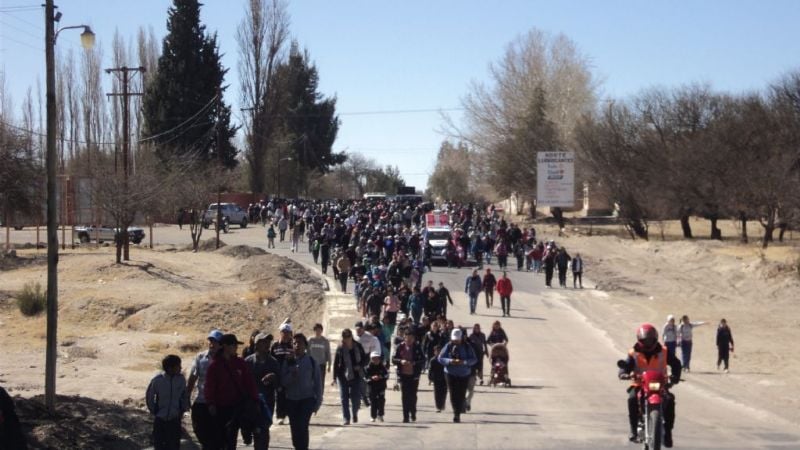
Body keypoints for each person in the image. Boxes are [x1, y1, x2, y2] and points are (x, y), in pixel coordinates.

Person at [617, 324, 681, 447]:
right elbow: (626, 365)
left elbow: (676, 364)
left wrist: (675, 377)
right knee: (632, 398)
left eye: (650, 339)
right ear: (639, 340)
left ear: (655, 338)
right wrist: (623, 373)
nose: (648, 342)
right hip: (639, 384)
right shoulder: (633, 352)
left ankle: (667, 433)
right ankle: (633, 429)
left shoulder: (664, 351)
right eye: (645, 339)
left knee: (670, 400)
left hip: (660, 385)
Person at [205, 334, 259, 450]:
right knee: (220, 440)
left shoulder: (240, 363)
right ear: (225, 346)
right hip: (220, 408)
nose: (236, 348)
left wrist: (254, 399)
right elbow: (209, 386)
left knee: (231, 439)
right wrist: (211, 403)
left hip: (237, 406)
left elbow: (249, 382)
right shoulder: (215, 365)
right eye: (234, 345)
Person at [281, 333, 322, 450]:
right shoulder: (288, 361)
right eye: (294, 343)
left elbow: (318, 384)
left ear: (305, 346)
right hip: (291, 400)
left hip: (307, 400)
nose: (297, 345)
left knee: (303, 426)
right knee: (294, 427)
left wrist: (318, 402)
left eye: (300, 343)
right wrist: (291, 375)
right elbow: (283, 382)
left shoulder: (312, 362)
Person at [187, 329, 223, 449]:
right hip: (201, 400)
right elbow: (192, 377)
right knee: (199, 430)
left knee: (216, 435)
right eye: (210, 341)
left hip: (219, 403)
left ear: (221, 344)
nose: (212, 344)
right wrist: (187, 396)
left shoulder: (225, 360)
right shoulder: (200, 357)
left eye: (215, 342)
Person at [244, 333, 279, 450]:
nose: (267, 344)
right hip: (250, 404)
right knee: (250, 431)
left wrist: (274, 377)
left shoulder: (273, 362)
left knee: (263, 432)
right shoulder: (248, 362)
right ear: (257, 344)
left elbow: (280, 385)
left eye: (269, 342)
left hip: (266, 404)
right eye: (264, 341)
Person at [146, 355, 189, 450]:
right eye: (178, 366)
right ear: (170, 368)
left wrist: (182, 410)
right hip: (160, 419)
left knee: (174, 445)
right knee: (159, 445)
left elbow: (184, 395)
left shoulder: (181, 379)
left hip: (175, 419)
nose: (181, 368)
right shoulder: (157, 381)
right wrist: (155, 411)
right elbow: (150, 396)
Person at [437, 328, 477, 423]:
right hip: (450, 373)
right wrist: (450, 361)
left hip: (464, 374)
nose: (455, 341)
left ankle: (459, 409)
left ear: (461, 338)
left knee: (461, 393)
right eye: (454, 339)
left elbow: (474, 359)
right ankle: (456, 413)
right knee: (453, 393)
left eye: (457, 339)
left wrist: (464, 362)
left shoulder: (467, 347)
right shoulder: (448, 346)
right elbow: (440, 358)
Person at [333, 328, 366, 425]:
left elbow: (365, 359)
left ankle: (355, 412)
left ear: (351, 337)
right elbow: (336, 363)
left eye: (348, 337)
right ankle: (346, 418)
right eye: (344, 338)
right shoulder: (340, 348)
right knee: (344, 398)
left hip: (356, 376)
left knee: (355, 398)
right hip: (343, 376)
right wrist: (334, 377)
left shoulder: (358, 346)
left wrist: (359, 366)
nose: (346, 340)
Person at [392, 329, 425, 423]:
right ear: (404, 338)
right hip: (403, 375)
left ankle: (413, 412)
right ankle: (405, 416)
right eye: (407, 338)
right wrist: (401, 361)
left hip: (414, 375)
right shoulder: (400, 347)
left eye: (411, 338)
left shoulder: (417, 347)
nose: (409, 340)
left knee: (413, 395)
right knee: (405, 396)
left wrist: (414, 363)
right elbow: (393, 359)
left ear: (414, 338)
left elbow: (423, 359)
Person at [271, 321, 294, 424]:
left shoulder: (292, 346)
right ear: (280, 332)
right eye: (283, 332)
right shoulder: (275, 346)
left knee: (289, 395)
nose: (285, 334)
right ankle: (280, 416)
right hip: (277, 373)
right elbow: (270, 359)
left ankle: (290, 414)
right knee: (279, 395)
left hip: (289, 375)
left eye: (287, 332)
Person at [364, 351, 389, 422]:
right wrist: (372, 378)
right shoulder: (367, 368)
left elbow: (386, 375)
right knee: (373, 401)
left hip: (381, 386)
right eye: (374, 358)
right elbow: (365, 377)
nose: (376, 360)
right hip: (372, 387)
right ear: (371, 359)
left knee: (381, 400)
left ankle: (380, 414)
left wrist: (380, 377)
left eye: (377, 358)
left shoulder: (382, 367)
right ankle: (373, 416)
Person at [428, 344, 448, 412]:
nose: (438, 352)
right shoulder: (433, 360)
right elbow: (430, 370)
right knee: (437, 393)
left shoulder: (444, 359)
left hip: (444, 378)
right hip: (436, 379)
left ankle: (442, 404)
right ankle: (438, 407)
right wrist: (430, 378)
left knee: (443, 393)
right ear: (434, 352)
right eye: (437, 351)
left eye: (440, 351)